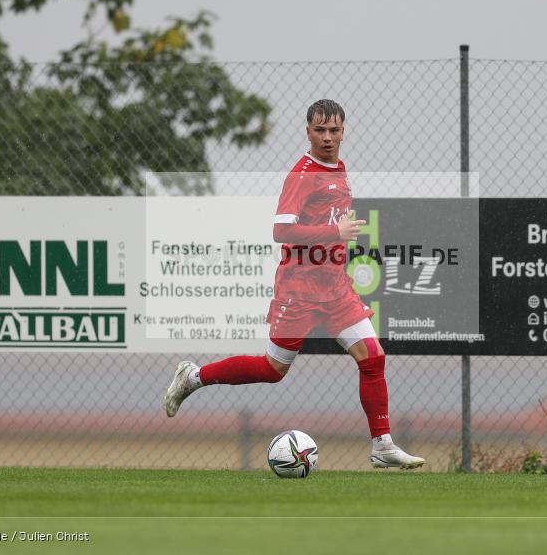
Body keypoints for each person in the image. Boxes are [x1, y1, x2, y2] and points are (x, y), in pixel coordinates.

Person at [163, 99, 425, 469]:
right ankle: (193, 377)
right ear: (308, 132)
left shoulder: (339, 169)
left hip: (335, 288)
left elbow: (328, 224)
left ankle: (382, 446)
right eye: (320, 130)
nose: (328, 137)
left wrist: (336, 255)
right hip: (299, 290)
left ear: (344, 132)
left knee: (373, 356)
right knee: (273, 369)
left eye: (334, 130)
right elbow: (282, 231)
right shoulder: (301, 175)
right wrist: (334, 233)